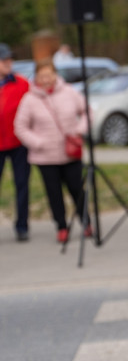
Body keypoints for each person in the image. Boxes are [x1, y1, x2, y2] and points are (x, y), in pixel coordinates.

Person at [14, 59, 90, 243]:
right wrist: (37, 142)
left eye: (49, 75)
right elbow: (20, 127)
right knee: (54, 194)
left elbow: (88, 111)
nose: (46, 80)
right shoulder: (29, 99)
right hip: (45, 157)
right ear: (37, 77)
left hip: (70, 154)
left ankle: (86, 222)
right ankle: (61, 227)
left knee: (77, 189)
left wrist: (80, 130)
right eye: (42, 76)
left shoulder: (70, 92)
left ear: (56, 75)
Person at [0, 43, 31, 241]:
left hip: (19, 144)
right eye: (5, 60)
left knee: (22, 184)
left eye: (10, 59)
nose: (9, 63)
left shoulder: (21, 83)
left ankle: (22, 226)